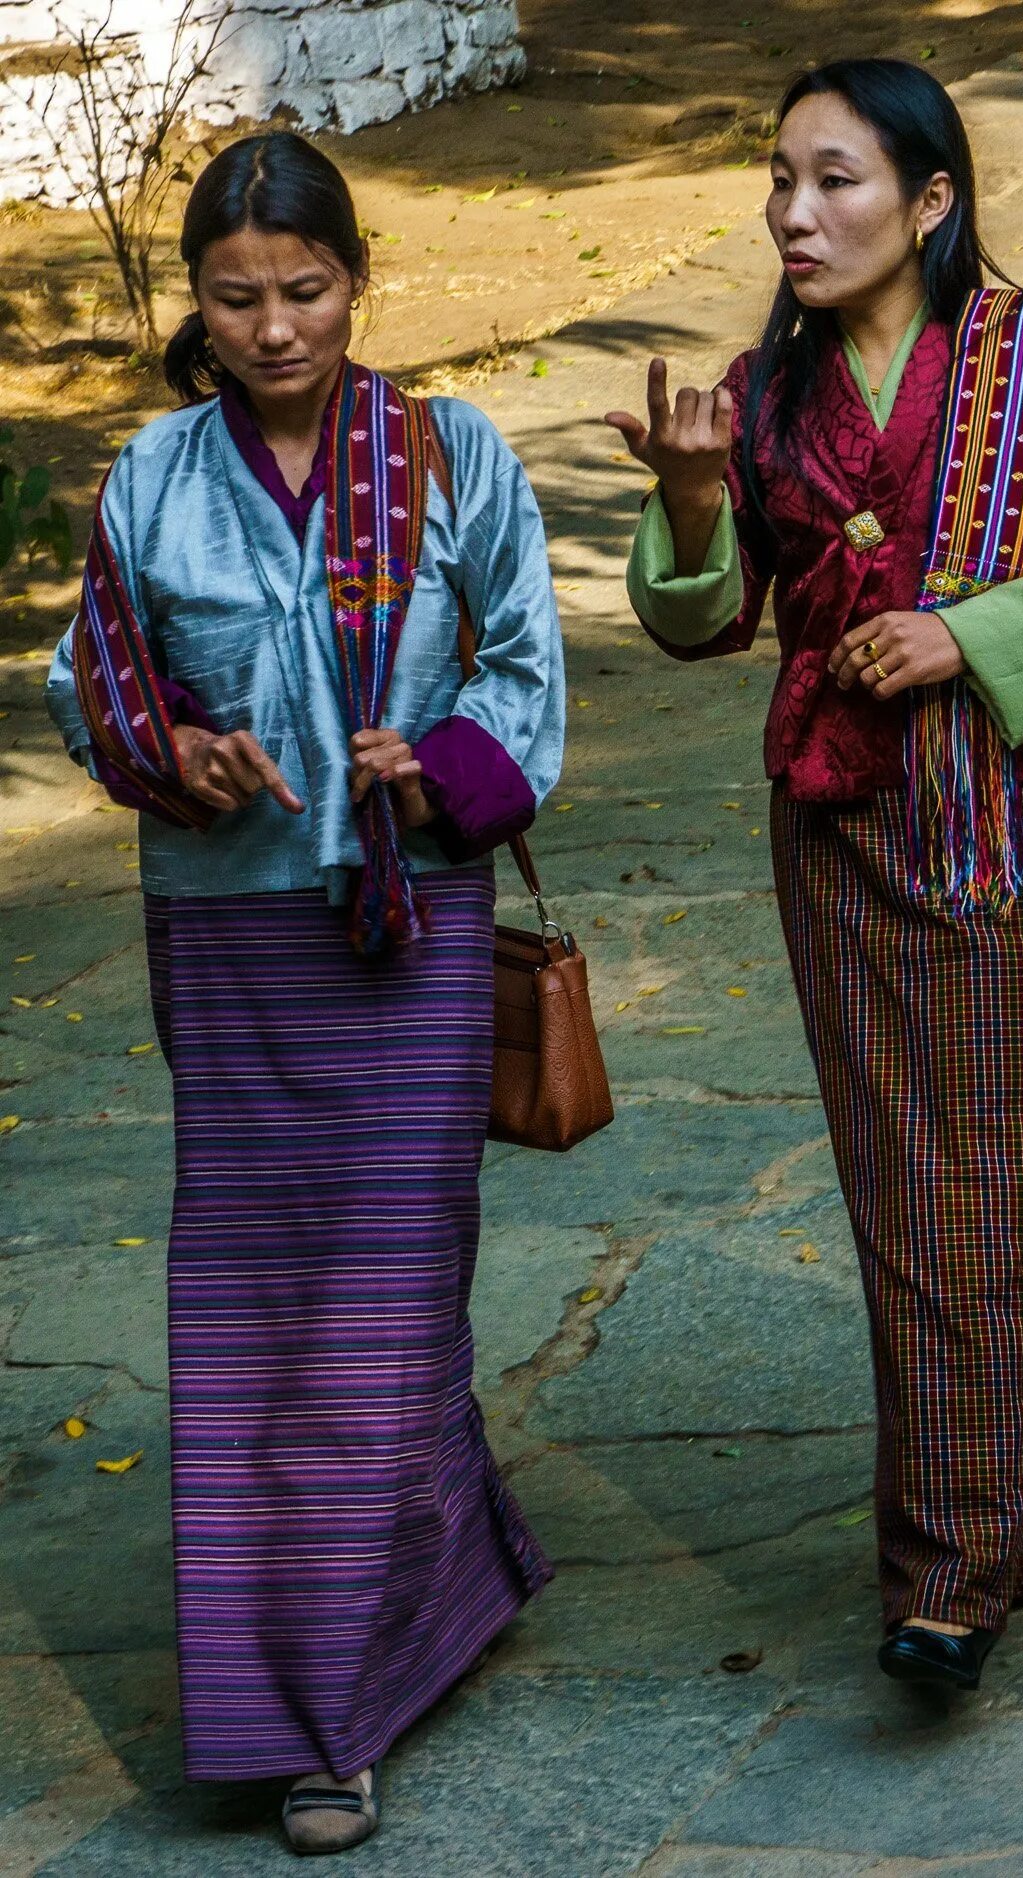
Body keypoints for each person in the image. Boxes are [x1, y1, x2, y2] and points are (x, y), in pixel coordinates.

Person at [608, 57, 1023, 1692]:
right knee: (901, 1205)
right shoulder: (761, 392)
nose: (797, 213)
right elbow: (707, 620)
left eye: (837, 179)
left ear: (932, 202)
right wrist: (690, 491)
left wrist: (965, 631)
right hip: (836, 839)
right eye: (781, 179)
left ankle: (947, 1578)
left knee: (988, 1198)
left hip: (996, 823)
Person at [46, 131, 564, 1852]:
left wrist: (440, 762)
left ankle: (337, 1710)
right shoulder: (153, 482)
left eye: (307, 289)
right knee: (263, 1318)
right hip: (233, 937)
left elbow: (522, 667)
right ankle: (394, 1610)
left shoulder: (450, 454)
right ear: (194, 304)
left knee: (386, 1302)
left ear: (359, 280)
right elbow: (89, 675)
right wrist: (171, 748)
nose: (275, 328)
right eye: (236, 296)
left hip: (402, 925)